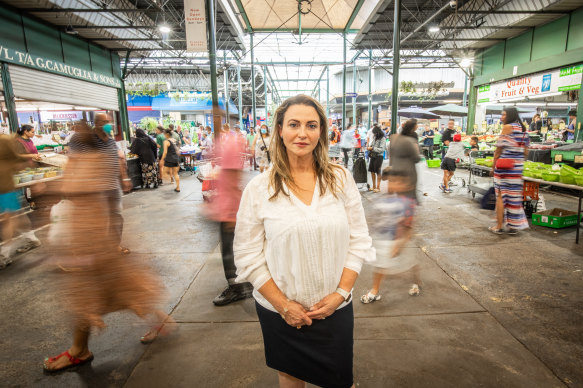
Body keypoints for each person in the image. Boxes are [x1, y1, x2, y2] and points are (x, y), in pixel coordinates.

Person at [234, 94, 375, 388]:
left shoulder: (340, 179)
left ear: (321, 132)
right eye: (294, 124)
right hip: (280, 312)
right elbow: (248, 255)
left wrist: (340, 294)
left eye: (311, 125)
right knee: (290, 375)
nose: (302, 133)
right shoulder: (259, 188)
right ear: (280, 130)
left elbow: (359, 240)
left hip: (334, 309)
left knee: (339, 379)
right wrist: (284, 305)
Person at [43, 128, 174, 373]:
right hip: (93, 248)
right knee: (119, 293)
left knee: (94, 298)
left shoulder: (87, 167)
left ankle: (79, 350)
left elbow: (95, 210)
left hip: (91, 249)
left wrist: (86, 251)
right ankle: (159, 319)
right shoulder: (95, 163)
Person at [69, 114, 132, 254]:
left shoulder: (110, 140)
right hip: (94, 188)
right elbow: (72, 161)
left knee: (116, 217)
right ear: (96, 123)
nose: (109, 125)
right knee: (97, 220)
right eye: (105, 122)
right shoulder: (81, 139)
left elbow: (119, 158)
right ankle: (93, 250)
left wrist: (124, 178)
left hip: (113, 186)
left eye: (109, 122)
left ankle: (114, 245)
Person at [205, 126, 253, 306]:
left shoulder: (231, 145)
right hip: (226, 208)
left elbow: (233, 181)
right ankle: (240, 284)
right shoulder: (227, 145)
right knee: (229, 250)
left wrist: (232, 213)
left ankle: (237, 288)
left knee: (230, 252)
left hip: (229, 210)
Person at [360, 168, 422, 304]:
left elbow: (408, 226)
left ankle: (416, 281)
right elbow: (375, 218)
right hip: (383, 239)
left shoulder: (407, 203)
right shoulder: (383, 200)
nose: (392, 184)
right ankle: (374, 291)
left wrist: (400, 244)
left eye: (398, 182)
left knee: (409, 262)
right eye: (391, 181)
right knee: (380, 265)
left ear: (408, 186)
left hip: (400, 241)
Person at [0, 135, 40, 268]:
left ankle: (4, 255)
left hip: (4, 187)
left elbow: (15, 158)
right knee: (17, 215)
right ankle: (32, 239)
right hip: (6, 186)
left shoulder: (4, 140)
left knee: (9, 219)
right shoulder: (5, 139)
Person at [490, 107, 530, 234]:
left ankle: (499, 226)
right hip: (517, 168)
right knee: (514, 197)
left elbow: (498, 150)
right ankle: (513, 227)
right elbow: (525, 152)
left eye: (504, 115)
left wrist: (493, 166)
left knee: (501, 196)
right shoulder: (524, 130)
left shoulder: (507, 127)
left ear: (510, 116)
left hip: (504, 168)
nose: (502, 117)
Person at [388, 119, 421, 203]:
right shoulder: (409, 141)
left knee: (400, 196)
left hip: (396, 170)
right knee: (408, 199)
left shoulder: (394, 138)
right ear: (413, 127)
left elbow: (391, 153)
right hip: (407, 172)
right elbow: (416, 158)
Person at [367, 124, 386, 192]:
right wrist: (370, 146)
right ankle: (374, 186)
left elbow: (382, 149)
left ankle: (378, 187)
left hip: (379, 157)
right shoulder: (375, 138)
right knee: (372, 171)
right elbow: (371, 144)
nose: (374, 134)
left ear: (378, 132)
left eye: (375, 133)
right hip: (373, 156)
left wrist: (372, 148)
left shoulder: (383, 138)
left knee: (378, 172)